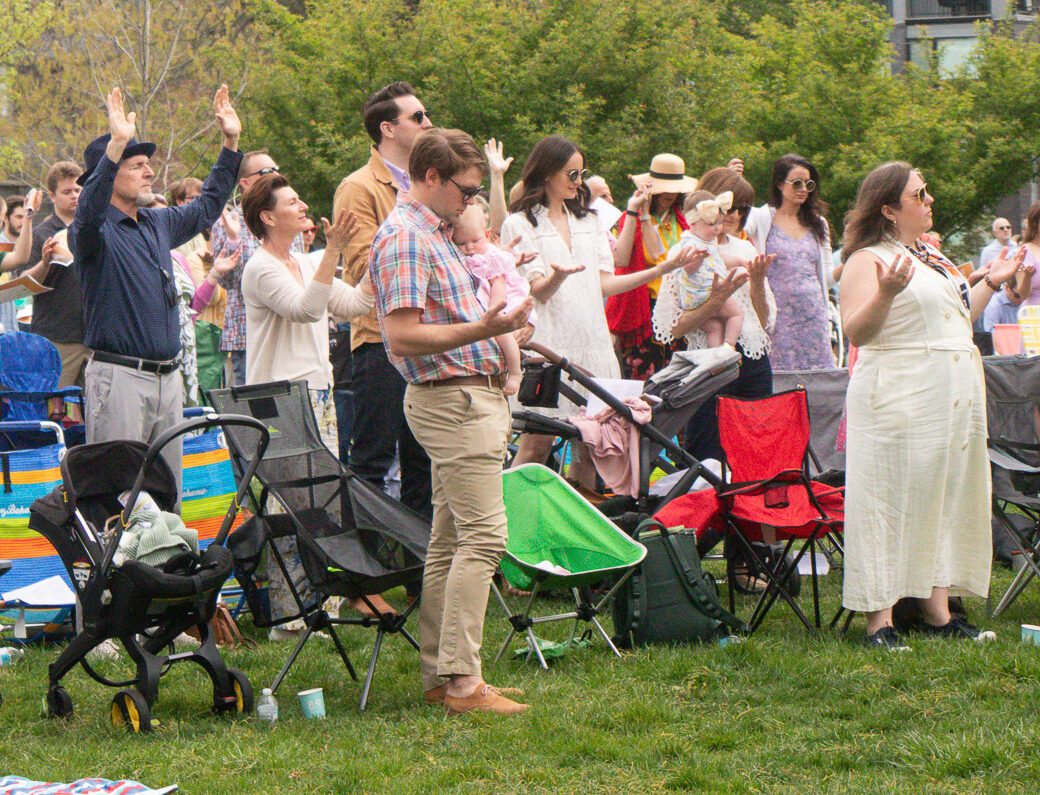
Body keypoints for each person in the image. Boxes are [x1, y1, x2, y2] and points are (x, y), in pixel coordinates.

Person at [369, 128, 533, 716]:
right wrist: (487, 332)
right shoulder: (406, 239)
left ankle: (442, 676)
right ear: (431, 178)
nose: (471, 203)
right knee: (485, 537)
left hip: (466, 396)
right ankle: (464, 682)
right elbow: (403, 336)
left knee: (448, 541)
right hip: (454, 402)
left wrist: (505, 329)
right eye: (465, 190)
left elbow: (456, 315)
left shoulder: (434, 232)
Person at [838, 161, 1022, 649]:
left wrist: (993, 281)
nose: (929, 201)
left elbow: (956, 320)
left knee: (945, 496)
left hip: (950, 394)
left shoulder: (930, 257)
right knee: (889, 497)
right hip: (898, 394)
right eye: (919, 195)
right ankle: (880, 622)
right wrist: (885, 293)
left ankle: (938, 614)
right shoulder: (867, 259)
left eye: (926, 192)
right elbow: (857, 331)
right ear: (889, 210)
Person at [68, 84, 243, 501]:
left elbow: (208, 205)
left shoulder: (156, 223)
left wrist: (230, 142)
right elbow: (88, 211)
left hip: (168, 380)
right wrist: (115, 147)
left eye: (148, 164)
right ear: (108, 177)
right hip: (120, 379)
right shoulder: (93, 231)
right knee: (117, 500)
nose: (150, 172)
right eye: (138, 164)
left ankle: (170, 567)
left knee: (167, 498)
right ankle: (114, 568)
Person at [502, 136, 700, 474]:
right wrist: (559, 277)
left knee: (593, 447)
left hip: (593, 344)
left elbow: (606, 283)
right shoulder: (519, 223)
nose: (578, 182)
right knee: (536, 445)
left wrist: (660, 269)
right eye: (572, 174)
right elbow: (539, 291)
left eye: (581, 174)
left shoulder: (589, 220)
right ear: (547, 173)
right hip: (548, 349)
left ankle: (580, 523)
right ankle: (506, 522)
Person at [332, 81, 433, 519]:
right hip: (381, 340)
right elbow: (357, 267)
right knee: (371, 459)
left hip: (431, 335)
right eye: (418, 117)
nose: (429, 123)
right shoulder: (357, 187)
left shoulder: (430, 182)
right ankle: (363, 569)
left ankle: (419, 571)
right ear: (388, 130)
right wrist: (419, 253)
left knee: (423, 460)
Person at [211, 148, 302, 386]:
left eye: (276, 170)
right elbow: (227, 281)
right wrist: (233, 240)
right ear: (244, 182)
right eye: (265, 171)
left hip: (292, 332)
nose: (273, 174)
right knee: (255, 414)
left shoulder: (291, 218)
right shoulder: (229, 221)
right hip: (248, 335)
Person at [605, 153, 698, 380]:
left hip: (678, 305)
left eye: (673, 187)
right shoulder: (629, 219)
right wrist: (644, 214)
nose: (668, 193)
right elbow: (655, 255)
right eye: (663, 187)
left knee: (676, 377)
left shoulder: (683, 219)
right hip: (643, 306)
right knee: (643, 378)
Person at [744, 153, 834, 370]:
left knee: (818, 375)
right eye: (796, 183)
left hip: (813, 313)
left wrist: (850, 258)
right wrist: (732, 180)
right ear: (779, 184)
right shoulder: (761, 218)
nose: (803, 188)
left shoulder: (818, 224)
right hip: (776, 315)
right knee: (778, 375)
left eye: (808, 184)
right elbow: (733, 232)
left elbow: (828, 277)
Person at [451, 204, 534, 396]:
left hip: (500, 301)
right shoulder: (463, 257)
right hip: (485, 302)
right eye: (461, 243)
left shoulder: (491, 256)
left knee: (502, 334)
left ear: (487, 235)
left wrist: (495, 309)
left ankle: (515, 371)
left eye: (475, 240)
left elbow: (499, 283)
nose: (469, 247)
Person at [669, 189, 744, 349]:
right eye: (711, 224)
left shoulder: (705, 241)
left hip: (694, 300)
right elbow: (689, 269)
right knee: (737, 314)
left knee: (714, 328)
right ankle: (729, 347)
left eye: (719, 222)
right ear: (693, 224)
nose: (717, 228)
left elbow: (719, 259)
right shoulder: (691, 244)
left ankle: (714, 357)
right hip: (705, 293)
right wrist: (698, 260)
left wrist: (740, 261)